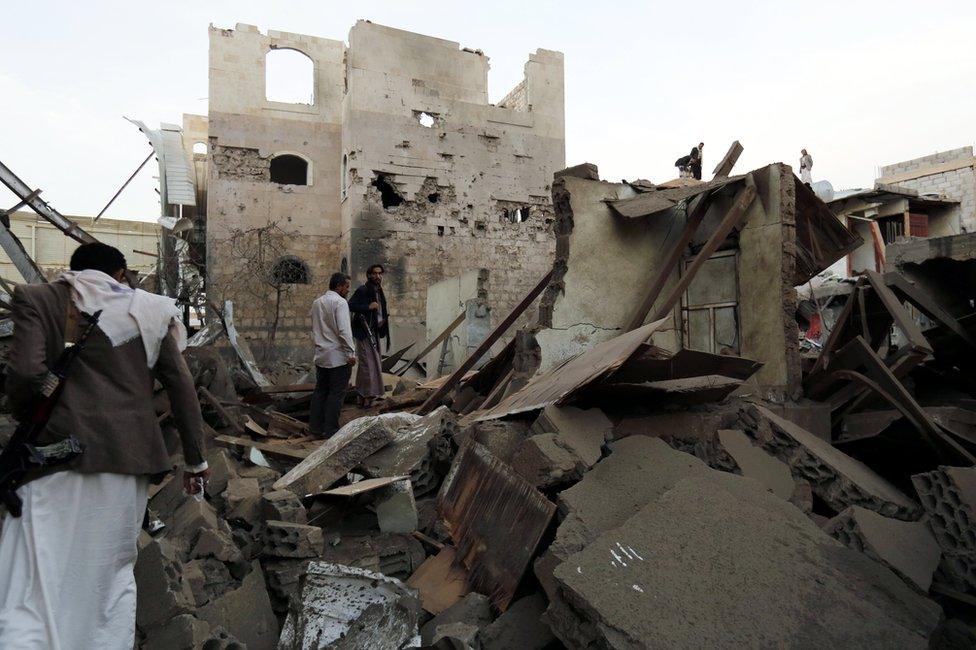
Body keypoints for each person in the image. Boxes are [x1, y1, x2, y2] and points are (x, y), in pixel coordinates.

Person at [0, 242, 209, 649]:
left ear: (71, 270)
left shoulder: (39, 298)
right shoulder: (151, 311)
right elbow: (182, 389)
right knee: (107, 582)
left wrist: (33, 416)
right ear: (120, 272)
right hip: (126, 462)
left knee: (32, 583)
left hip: (50, 460)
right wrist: (196, 462)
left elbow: (24, 374)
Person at [309, 272, 357, 437]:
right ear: (339, 286)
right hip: (338, 356)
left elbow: (315, 328)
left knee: (320, 391)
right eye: (346, 287)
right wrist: (351, 352)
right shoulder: (340, 302)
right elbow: (344, 330)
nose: (348, 290)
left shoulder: (317, 303)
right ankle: (330, 430)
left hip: (321, 355)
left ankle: (315, 427)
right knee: (336, 394)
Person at [348, 264, 389, 408]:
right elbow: (351, 305)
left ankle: (363, 394)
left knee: (373, 364)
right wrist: (368, 307)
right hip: (363, 333)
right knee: (367, 365)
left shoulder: (379, 291)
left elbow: (379, 312)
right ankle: (367, 395)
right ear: (369, 275)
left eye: (380, 273)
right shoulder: (363, 290)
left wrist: (382, 321)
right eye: (375, 273)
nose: (378, 276)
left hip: (374, 332)